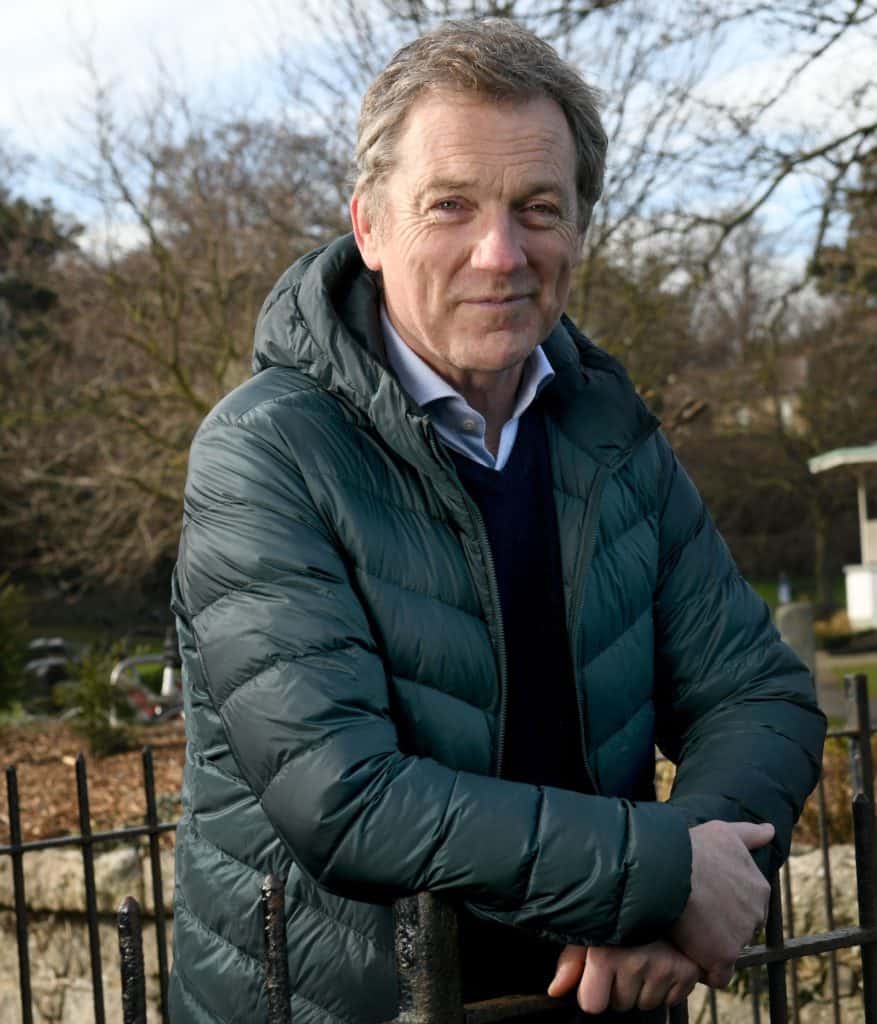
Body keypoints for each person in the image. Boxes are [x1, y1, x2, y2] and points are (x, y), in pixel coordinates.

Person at [168, 18, 826, 1023]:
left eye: (537, 209)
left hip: (593, 1000)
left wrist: (677, 886)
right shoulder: (265, 452)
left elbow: (758, 693)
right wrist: (657, 872)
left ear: (579, 230)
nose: (500, 253)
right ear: (369, 227)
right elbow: (343, 795)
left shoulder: (610, 434)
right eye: (450, 205)